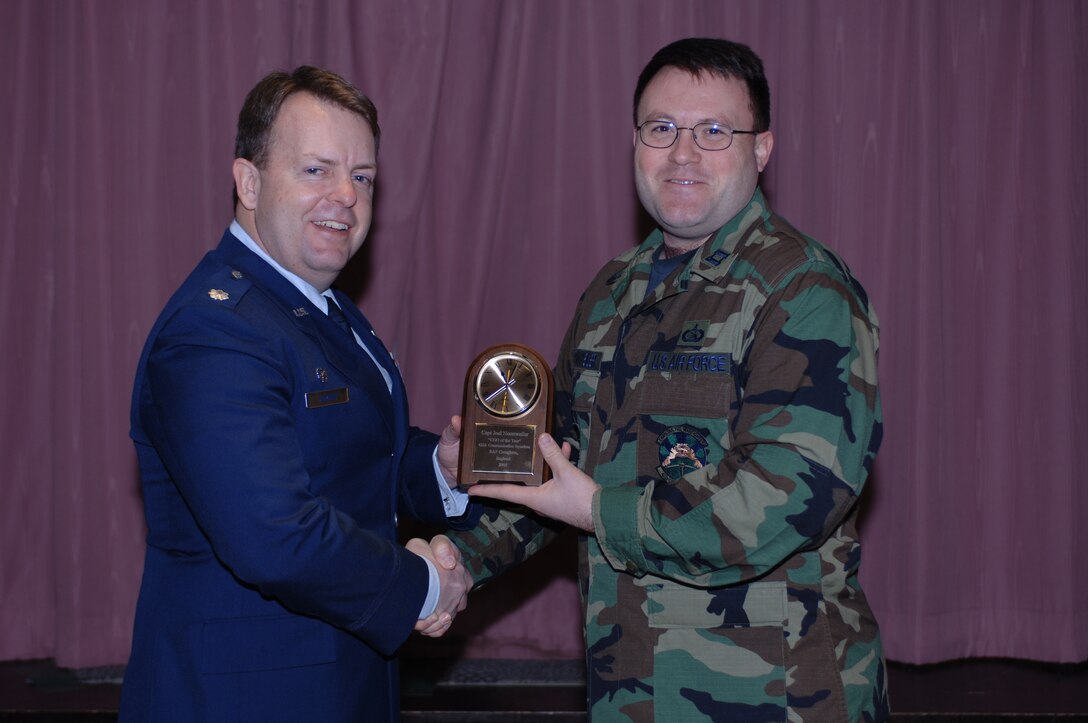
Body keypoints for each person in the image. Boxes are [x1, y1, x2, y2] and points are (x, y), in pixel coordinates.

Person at [439, 38, 889, 721]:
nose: (683, 154)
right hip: (628, 689)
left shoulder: (804, 294)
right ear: (635, 142)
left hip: (776, 697)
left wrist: (599, 511)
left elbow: (787, 493)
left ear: (761, 149)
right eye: (662, 128)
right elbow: (557, 466)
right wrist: (460, 558)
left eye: (714, 131)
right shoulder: (610, 293)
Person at [120, 66, 477, 722]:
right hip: (243, 697)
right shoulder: (215, 329)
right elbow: (276, 533)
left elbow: (350, 459)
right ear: (249, 182)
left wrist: (442, 468)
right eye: (316, 170)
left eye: (362, 176)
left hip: (336, 682)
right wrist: (426, 586)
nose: (345, 195)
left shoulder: (319, 306)